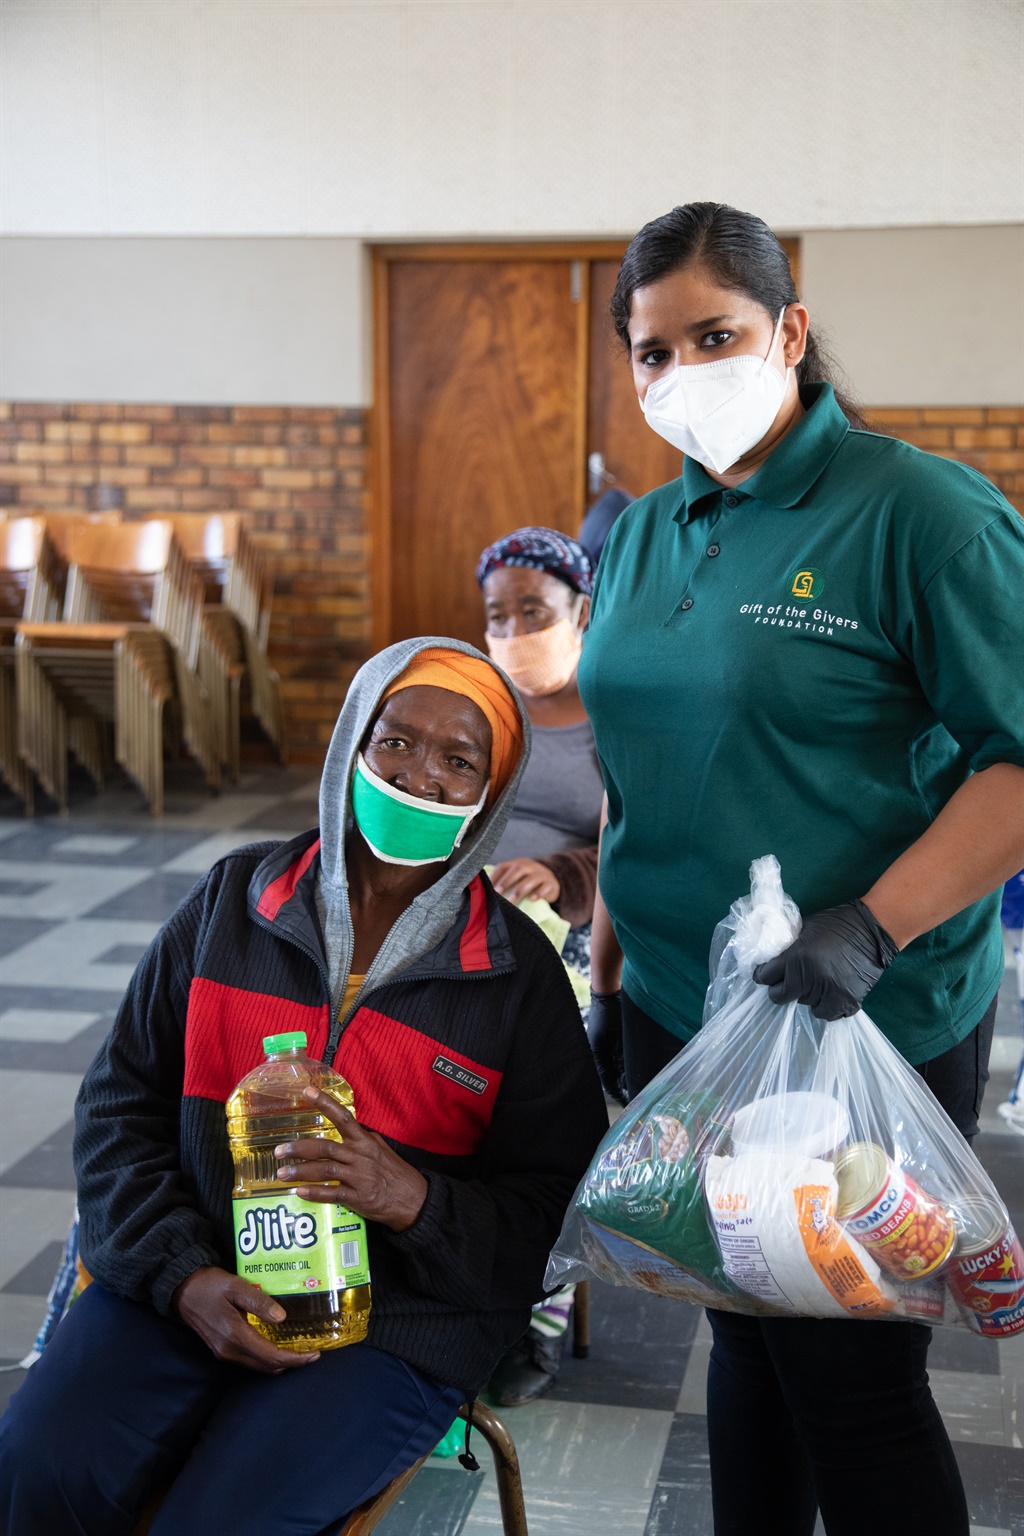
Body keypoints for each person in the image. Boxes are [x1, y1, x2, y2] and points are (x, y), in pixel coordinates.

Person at [582, 202, 1024, 1536]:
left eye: (713, 335)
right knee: (746, 1337)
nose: (681, 374)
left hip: (859, 1011)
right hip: (684, 1004)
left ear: (792, 330)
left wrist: (872, 928)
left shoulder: (923, 514)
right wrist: (611, 953)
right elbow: (636, 760)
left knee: (851, 1371)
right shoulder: (646, 531)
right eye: (652, 352)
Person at [0, 639, 607, 1536]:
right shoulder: (232, 903)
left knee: (223, 1522)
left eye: (458, 759)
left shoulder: (516, 980)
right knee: (36, 1472)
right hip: (191, 1273)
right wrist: (183, 1277)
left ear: (492, 794)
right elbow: (117, 1105)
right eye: (395, 741)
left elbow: (552, 1213)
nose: (420, 775)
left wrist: (413, 1199)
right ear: (351, 747)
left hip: (396, 1328)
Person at [474, 526, 611, 1407]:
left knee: (529, 1097)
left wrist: (559, 876)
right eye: (498, 614)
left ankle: (542, 1301)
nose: (516, 628)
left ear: (580, 613)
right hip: (466, 912)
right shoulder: (483, 707)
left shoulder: (615, 715)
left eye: (535, 611)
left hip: (568, 928)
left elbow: (637, 848)